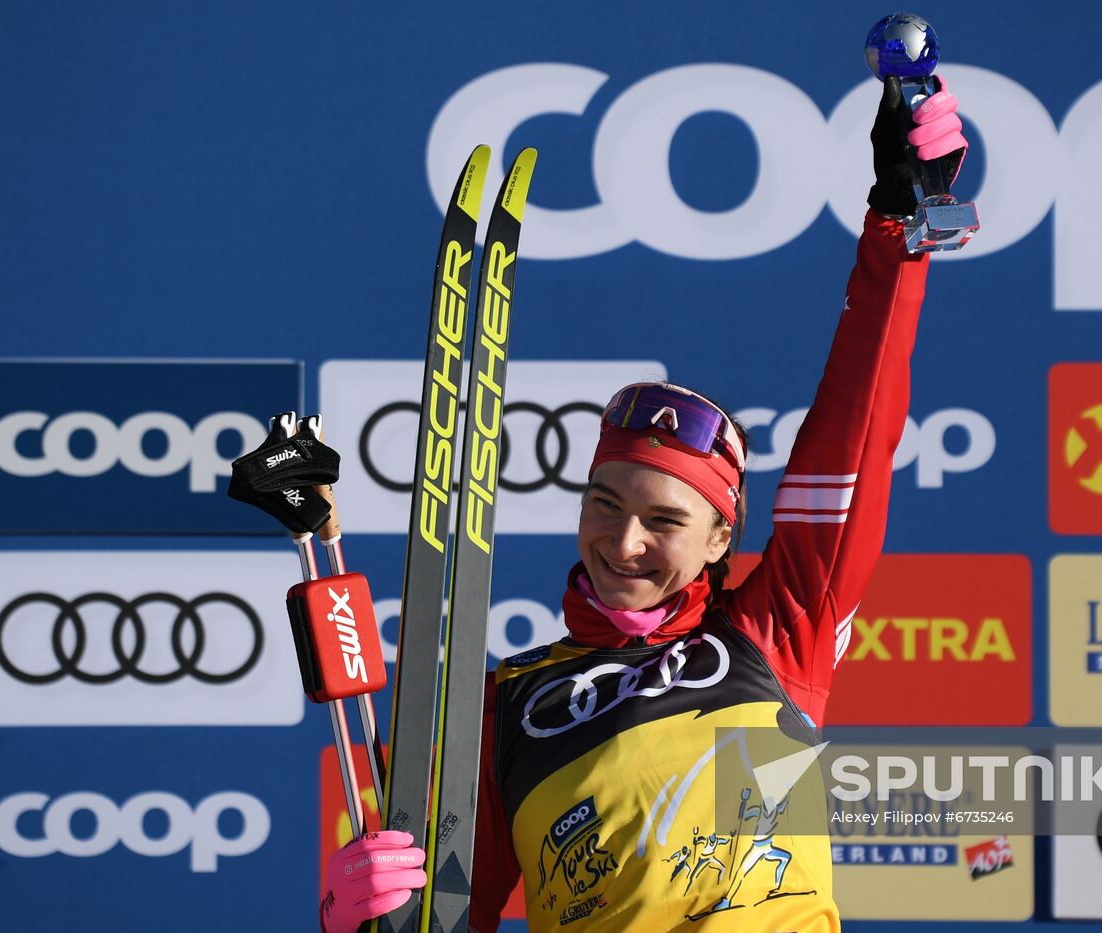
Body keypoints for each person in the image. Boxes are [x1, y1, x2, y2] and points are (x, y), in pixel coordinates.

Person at [319, 72, 968, 933]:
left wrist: (896, 231)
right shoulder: (506, 706)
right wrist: (354, 917)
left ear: (717, 540)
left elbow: (856, 433)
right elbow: (448, 918)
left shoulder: (775, 633)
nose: (623, 542)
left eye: (665, 520)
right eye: (603, 502)